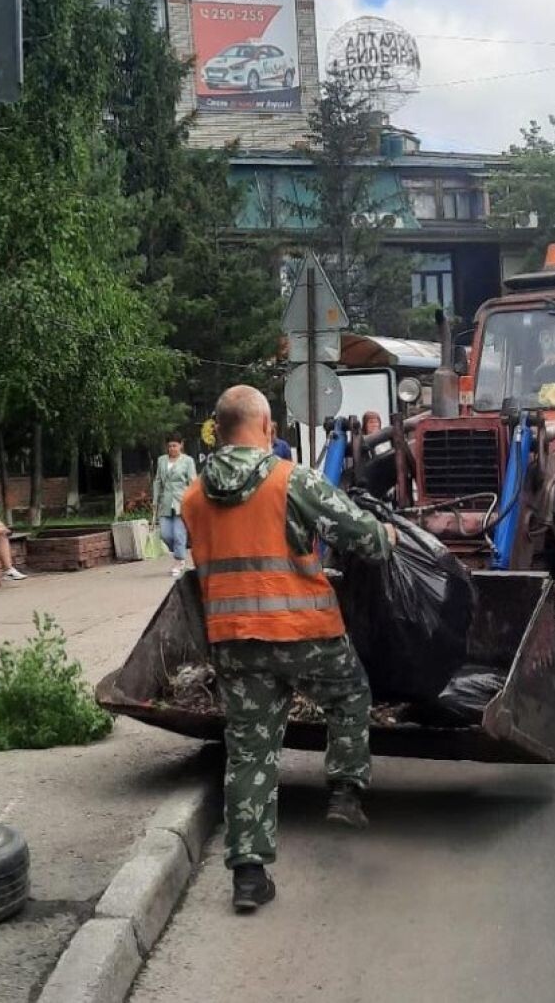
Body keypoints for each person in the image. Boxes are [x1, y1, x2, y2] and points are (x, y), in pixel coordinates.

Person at [181, 384, 397, 913]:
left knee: (250, 753)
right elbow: (360, 535)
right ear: (267, 428)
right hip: (304, 631)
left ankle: (249, 876)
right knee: (350, 693)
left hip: (234, 643)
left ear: (218, 428)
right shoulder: (289, 478)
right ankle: (345, 789)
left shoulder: (191, 496)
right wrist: (387, 534)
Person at [152, 433, 197, 579]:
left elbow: (193, 482)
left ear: (181, 445)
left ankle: (179, 561)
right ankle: (180, 551)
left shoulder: (187, 461)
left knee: (178, 534)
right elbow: (158, 481)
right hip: (166, 502)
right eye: (170, 446)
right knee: (165, 534)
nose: (172, 448)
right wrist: (155, 500)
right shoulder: (161, 460)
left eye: (175, 445)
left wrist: (195, 501)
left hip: (182, 502)